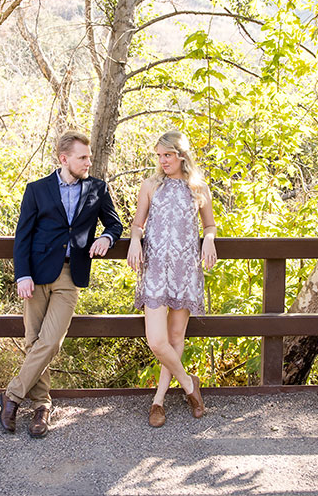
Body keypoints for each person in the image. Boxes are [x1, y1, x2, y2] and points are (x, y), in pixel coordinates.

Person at [0, 130, 123, 438]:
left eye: (90, 156)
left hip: (71, 274)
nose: (88, 161)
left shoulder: (97, 188)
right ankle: (41, 407)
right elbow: (22, 235)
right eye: (83, 157)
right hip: (37, 274)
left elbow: (114, 222)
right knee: (33, 341)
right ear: (64, 159)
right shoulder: (37, 190)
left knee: (50, 342)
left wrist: (107, 237)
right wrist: (22, 274)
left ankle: (11, 396)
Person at [127, 130, 217, 427]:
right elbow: (138, 223)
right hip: (155, 270)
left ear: (181, 155)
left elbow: (209, 225)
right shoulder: (151, 185)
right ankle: (190, 385)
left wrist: (209, 239)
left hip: (185, 270)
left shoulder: (198, 187)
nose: (163, 161)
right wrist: (134, 240)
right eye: (159, 155)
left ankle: (159, 401)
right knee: (157, 341)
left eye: (168, 155)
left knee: (176, 338)